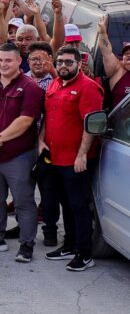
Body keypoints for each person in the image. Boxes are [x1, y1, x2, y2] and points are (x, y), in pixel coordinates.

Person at [0, 43, 45, 262]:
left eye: (8, 60)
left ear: (18, 61)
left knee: (23, 200)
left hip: (18, 155)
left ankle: (27, 243)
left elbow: (26, 120)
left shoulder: (30, 87)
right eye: (0, 60)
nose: (3, 64)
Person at [40, 46, 104, 271]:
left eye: (68, 62)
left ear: (78, 64)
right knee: (65, 204)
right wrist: (41, 140)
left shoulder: (89, 88)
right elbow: (48, 115)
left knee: (78, 206)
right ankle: (69, 245)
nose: (63, 66)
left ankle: (84, 254)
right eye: (60, 62)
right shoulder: (55, 83)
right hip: (54, 158)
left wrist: (82, 155)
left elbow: (92, 125)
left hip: (76, 160)